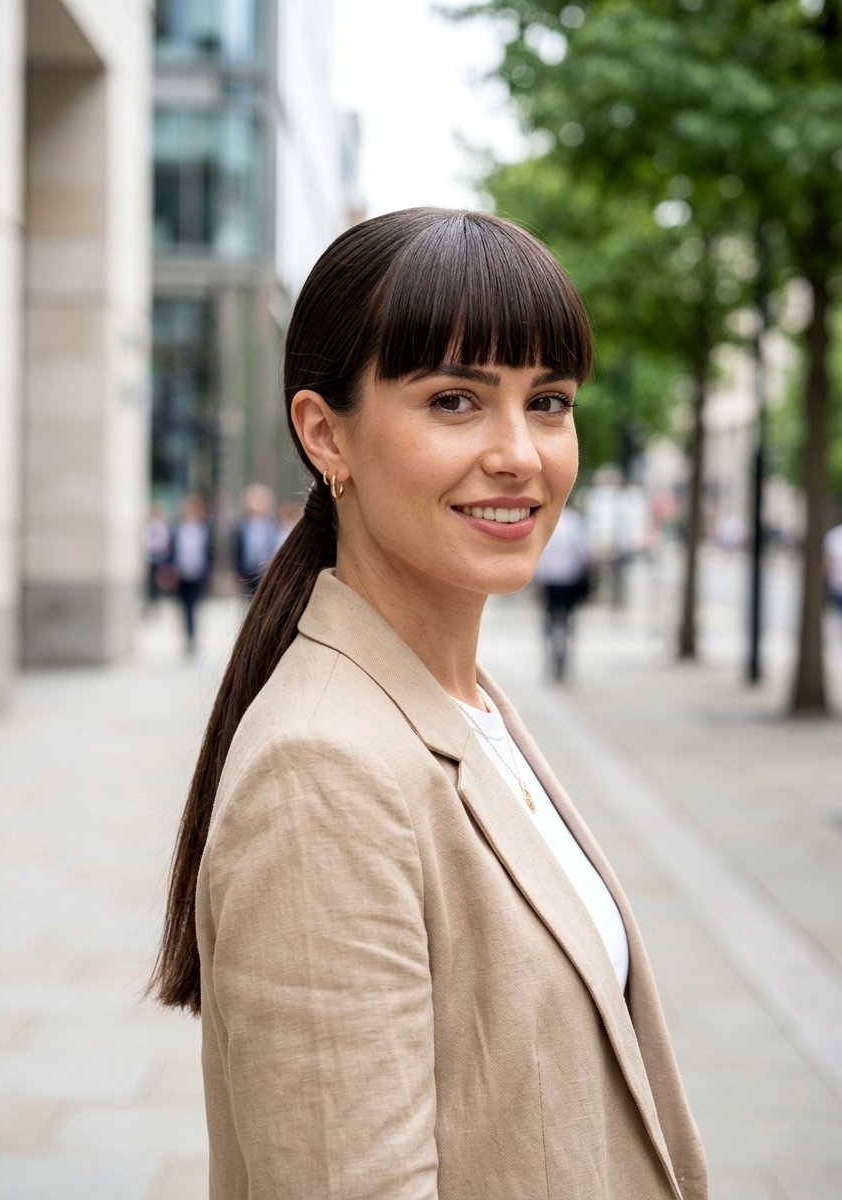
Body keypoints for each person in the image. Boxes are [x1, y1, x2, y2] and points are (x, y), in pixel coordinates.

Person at [149, 209, 707, 1200]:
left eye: (548, 401)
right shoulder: (321, 772)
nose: (519, 453)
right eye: (455, 400)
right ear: (325, 434)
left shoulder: (463, 702)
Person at [534, 502, 594, 681]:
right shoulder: (574, 522)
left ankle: (551, 658)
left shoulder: (544, 522)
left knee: (549, 621)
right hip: (569, 579)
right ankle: (566, 656)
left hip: (549, 581)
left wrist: (537, 582)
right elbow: (584, 554)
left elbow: (538, 556)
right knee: (568, 620)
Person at [171, 493, 212, 655]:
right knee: (185, 606)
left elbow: (209, 552)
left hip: (198, 574)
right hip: (181, 575)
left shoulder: (204, 529)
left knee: (194, 606)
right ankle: (188, 637)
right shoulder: (178, 529)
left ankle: (193, 636)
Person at [232, 483, 278, 597]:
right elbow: (237, 549)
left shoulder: (272, 524)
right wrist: (237, 571)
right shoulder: (241, 525)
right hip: (247, 569)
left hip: (266, 570)